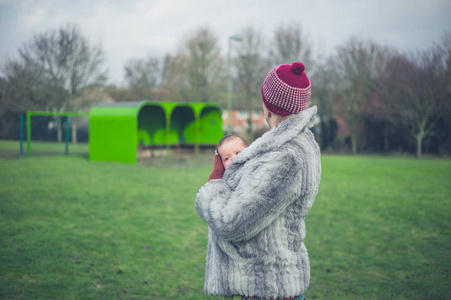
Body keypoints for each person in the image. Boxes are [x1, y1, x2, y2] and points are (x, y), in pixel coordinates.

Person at [195, 62, 321, 300]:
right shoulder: (291, 146)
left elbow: (231, 221)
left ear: (269, 105)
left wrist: (213, 187)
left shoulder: (286, 158)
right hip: (270, 284)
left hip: (269, 288)